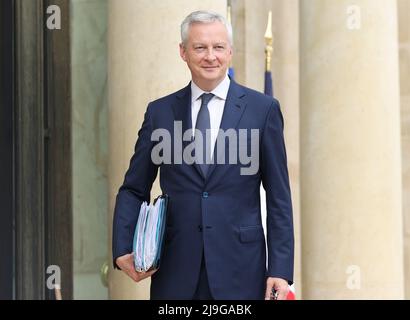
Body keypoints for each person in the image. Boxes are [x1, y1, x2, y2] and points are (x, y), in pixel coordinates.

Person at [112, 10, 294, 300]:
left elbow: (279, 198)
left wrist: (281, 269)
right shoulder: (159, 113)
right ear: (183, 52)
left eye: (218, 47)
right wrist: (122, 246)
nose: (211, 56)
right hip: (175, 271)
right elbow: (134, 188)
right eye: (200, 47)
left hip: (242, 270)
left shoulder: (263, 111)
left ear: (230, 51)